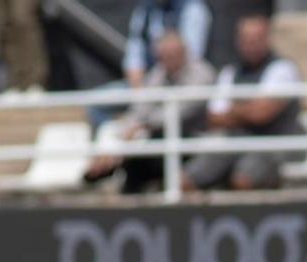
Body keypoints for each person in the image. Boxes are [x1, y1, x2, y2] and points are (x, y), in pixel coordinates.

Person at [83, 29, 214, 191]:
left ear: (184, 52)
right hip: (154, 134)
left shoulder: (202, 73)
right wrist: (128, 127)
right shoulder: (159, 72)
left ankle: (109, 171)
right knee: (109, 130)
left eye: (172, 55)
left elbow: (180, 112)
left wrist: (142, 126)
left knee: (142, 142)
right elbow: (141, 107)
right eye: (163, 56)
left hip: (191, 138)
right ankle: (100, 167)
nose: (167, 60)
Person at [184, 15, 301, 194]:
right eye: (247, 40)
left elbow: (262, 114)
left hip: (272, 145)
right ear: (238, 41)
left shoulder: (283, 69)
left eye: (256, 39)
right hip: (234, 142)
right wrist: (249, 109)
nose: (251, 45)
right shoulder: (230, 72)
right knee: (187, 180)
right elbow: (214, 117)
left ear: (267, 39)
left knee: (243, 179)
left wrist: (234, 109)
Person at [123, 0, 208, 86]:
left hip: (187, 74)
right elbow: (133, 57)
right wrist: (138, 89)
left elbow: (192, 54)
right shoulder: (144, 9)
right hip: (153, 75)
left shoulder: (192, 7)